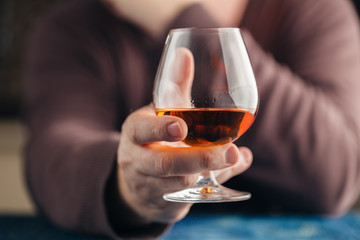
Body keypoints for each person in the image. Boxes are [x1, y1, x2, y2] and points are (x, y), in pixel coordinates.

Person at [23, 0, 360, 239]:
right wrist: (129, 182)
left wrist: (182, 15)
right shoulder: (72, 27)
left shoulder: (314, 9)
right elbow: (51, 156)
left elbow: (335, 173)